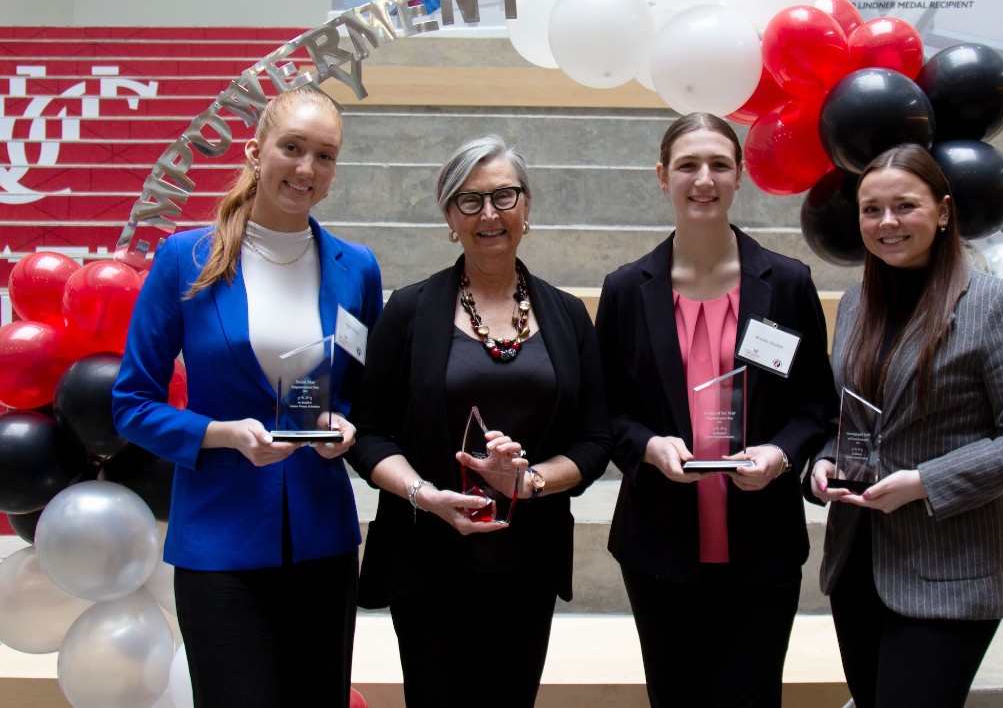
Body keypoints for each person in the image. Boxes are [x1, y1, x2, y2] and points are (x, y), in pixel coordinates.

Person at [113, 86, 384, 707]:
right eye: (292, 148)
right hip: (219, 538)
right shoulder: (186, 259)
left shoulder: (357, 268)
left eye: (324, 155)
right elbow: (132, 402)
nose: (306, 169)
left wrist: (346, 427)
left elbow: (363, 395)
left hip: (322, 535)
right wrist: (223, 434)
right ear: (255, 152)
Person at [347, 136, 612, 708]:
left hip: (528, 560)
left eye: (503, 196)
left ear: (527, 206)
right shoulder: (410, 310)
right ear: (449, 216)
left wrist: (530, 481)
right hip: (428, 558)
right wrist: (425, 494)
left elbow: (595, 440)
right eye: (469, 201)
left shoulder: (567, 315)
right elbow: (367, 433)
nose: (489, 214)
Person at [595, 113, 836, 707]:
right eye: (687, 165)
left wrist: (782, 454)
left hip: (764, 541)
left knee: (750, 696)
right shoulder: (627, 289)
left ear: (740, 176)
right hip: (659, 541)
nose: (704, 179)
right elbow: (604, 409)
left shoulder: (786, 282)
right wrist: (648, 446)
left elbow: (815, 404)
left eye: (719, 165)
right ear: (661, 176)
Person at [807, 144, 1003, 708]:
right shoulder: (854, 304)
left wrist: (923, 481)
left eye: (905, 206)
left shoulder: (993, 304)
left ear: (943, 211)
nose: (887, 222)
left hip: (951, 572)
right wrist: (824, 460)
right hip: (859, 566)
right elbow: (845, 416)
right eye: (872, 210)